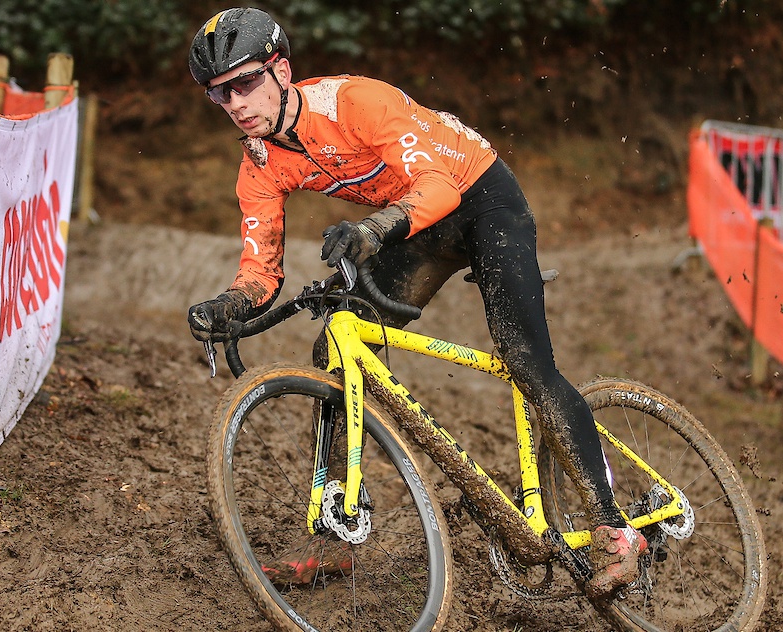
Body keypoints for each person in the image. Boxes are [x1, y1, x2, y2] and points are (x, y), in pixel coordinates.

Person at [185, 7, 646, 600]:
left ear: (281, 69)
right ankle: (335, 534)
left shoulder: (356, 103)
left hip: (478, 198)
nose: (237, 104)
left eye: (245, 83)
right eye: (220, 95)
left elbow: (438, 187)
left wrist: (375, 231)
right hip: (415, 225)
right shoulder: (260, 163)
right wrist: (230, 306)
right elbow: (260, 270)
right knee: (336, 349)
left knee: (525, 359)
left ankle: (615, 528)